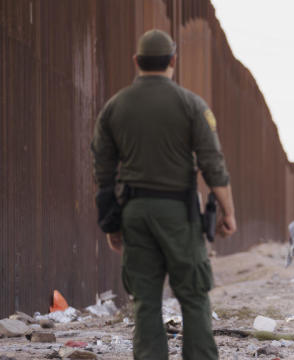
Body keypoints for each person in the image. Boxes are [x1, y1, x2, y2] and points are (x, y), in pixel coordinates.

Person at [91, 29, 236, 360]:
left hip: (134, 212)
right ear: (173, 60)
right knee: (194, 295)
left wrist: (112, 224)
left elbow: (102, 172)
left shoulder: (114, 107)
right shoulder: (191, 104)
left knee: (145, 299)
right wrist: (228, 212)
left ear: (136, 61)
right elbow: (213, 163)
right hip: (179, 213)